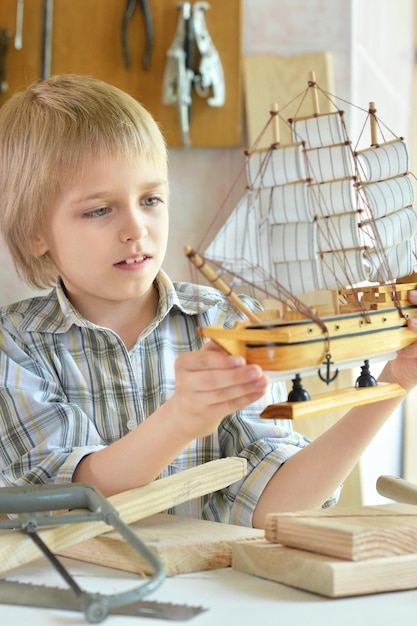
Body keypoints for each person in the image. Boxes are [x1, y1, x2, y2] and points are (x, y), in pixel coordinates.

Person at [0, 75, 417, 530]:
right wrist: (179, 420)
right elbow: (66, 501)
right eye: (100, 210)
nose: (136, 229)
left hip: (216, 593)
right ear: (34, 231)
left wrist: (396, 379)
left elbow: (274, 506)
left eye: (151, 199)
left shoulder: (225, 321)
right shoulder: (16, 344)